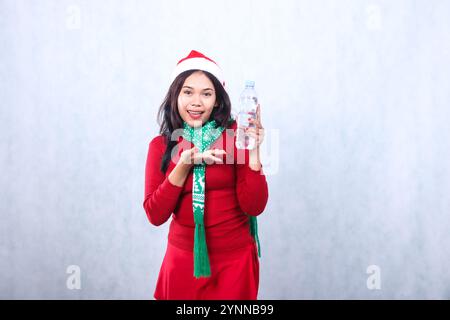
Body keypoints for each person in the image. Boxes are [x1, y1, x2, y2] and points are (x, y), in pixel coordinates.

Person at [143, 50, 269, 300]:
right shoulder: (161, 146)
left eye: (207, 94)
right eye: (188, 92)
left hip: (234, 263)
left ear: (218, 100)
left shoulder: (236, 136)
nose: (196, 102)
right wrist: (183, 166)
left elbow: (254, 206)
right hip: (184, 262)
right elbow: (155, 215)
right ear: (174, 97)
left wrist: (253, 152)